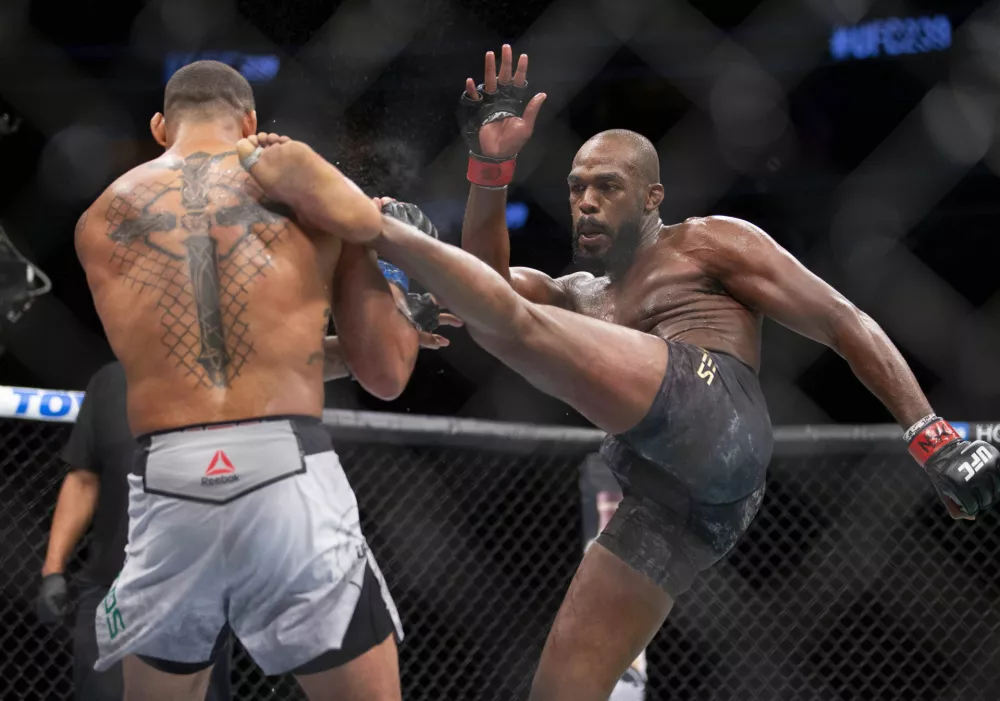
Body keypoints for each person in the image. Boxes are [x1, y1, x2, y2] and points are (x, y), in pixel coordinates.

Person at [234, 44, 1000, 701]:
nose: (586, 203)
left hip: (719, 413)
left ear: (654, 197)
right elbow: (489, 288)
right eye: (574, 188)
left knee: (514, 321)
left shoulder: (708, 244)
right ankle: (390, 245)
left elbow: (842, 320)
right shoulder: (580, 296)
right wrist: (491, 168)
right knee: (561, 687)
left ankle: (377, 227)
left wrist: (929, 433)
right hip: (673, 500)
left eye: (607, 187)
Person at [72, 60, 439, 701]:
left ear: (161, 127)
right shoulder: (313, 198)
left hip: (167, 482)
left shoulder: (100, 220)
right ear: (248, 123)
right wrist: (400, 293)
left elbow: (211, 359)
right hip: (287, 472)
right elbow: (385, 373)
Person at [37, 361, 232, 701]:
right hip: (111, 588)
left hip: (199, 592)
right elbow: (83, 479)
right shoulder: (111, 381)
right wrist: (53, 570)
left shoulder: (231, 384)